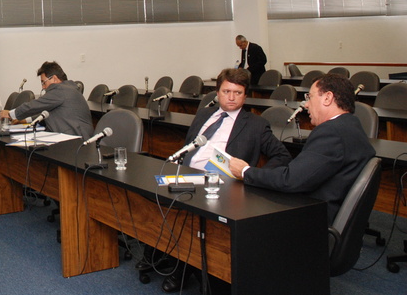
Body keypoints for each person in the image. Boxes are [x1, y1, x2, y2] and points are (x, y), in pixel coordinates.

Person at [161, 67, 291, 293]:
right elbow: (188, 146)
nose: (231, 97)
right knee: (153, 195)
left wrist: (250, 175)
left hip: (221, 185)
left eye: (237, 93)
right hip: (187, 174)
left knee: (192, 210)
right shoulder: (204, 115)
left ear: (245, 95)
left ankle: (186, 266)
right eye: (226, 91)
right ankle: (172, 256)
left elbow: (282, 156)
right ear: (217, 93)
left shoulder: (255, 124)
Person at [230, 73, 376, 225]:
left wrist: (245, 171)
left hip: (313, 221)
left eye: (310, 97)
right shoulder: (352, 125)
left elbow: (290, 180)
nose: (306, 105)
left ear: (327, 98)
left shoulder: (331, 133)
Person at [0, 61, 94, 139]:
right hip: (71, 136)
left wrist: (10, 114)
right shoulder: (67, 89)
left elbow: (34, 105)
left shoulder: (60, 90)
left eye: (43, 82)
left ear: (54, 79)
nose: (43, 87)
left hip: (76, 140)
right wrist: (25, 120)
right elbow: (48, 113)